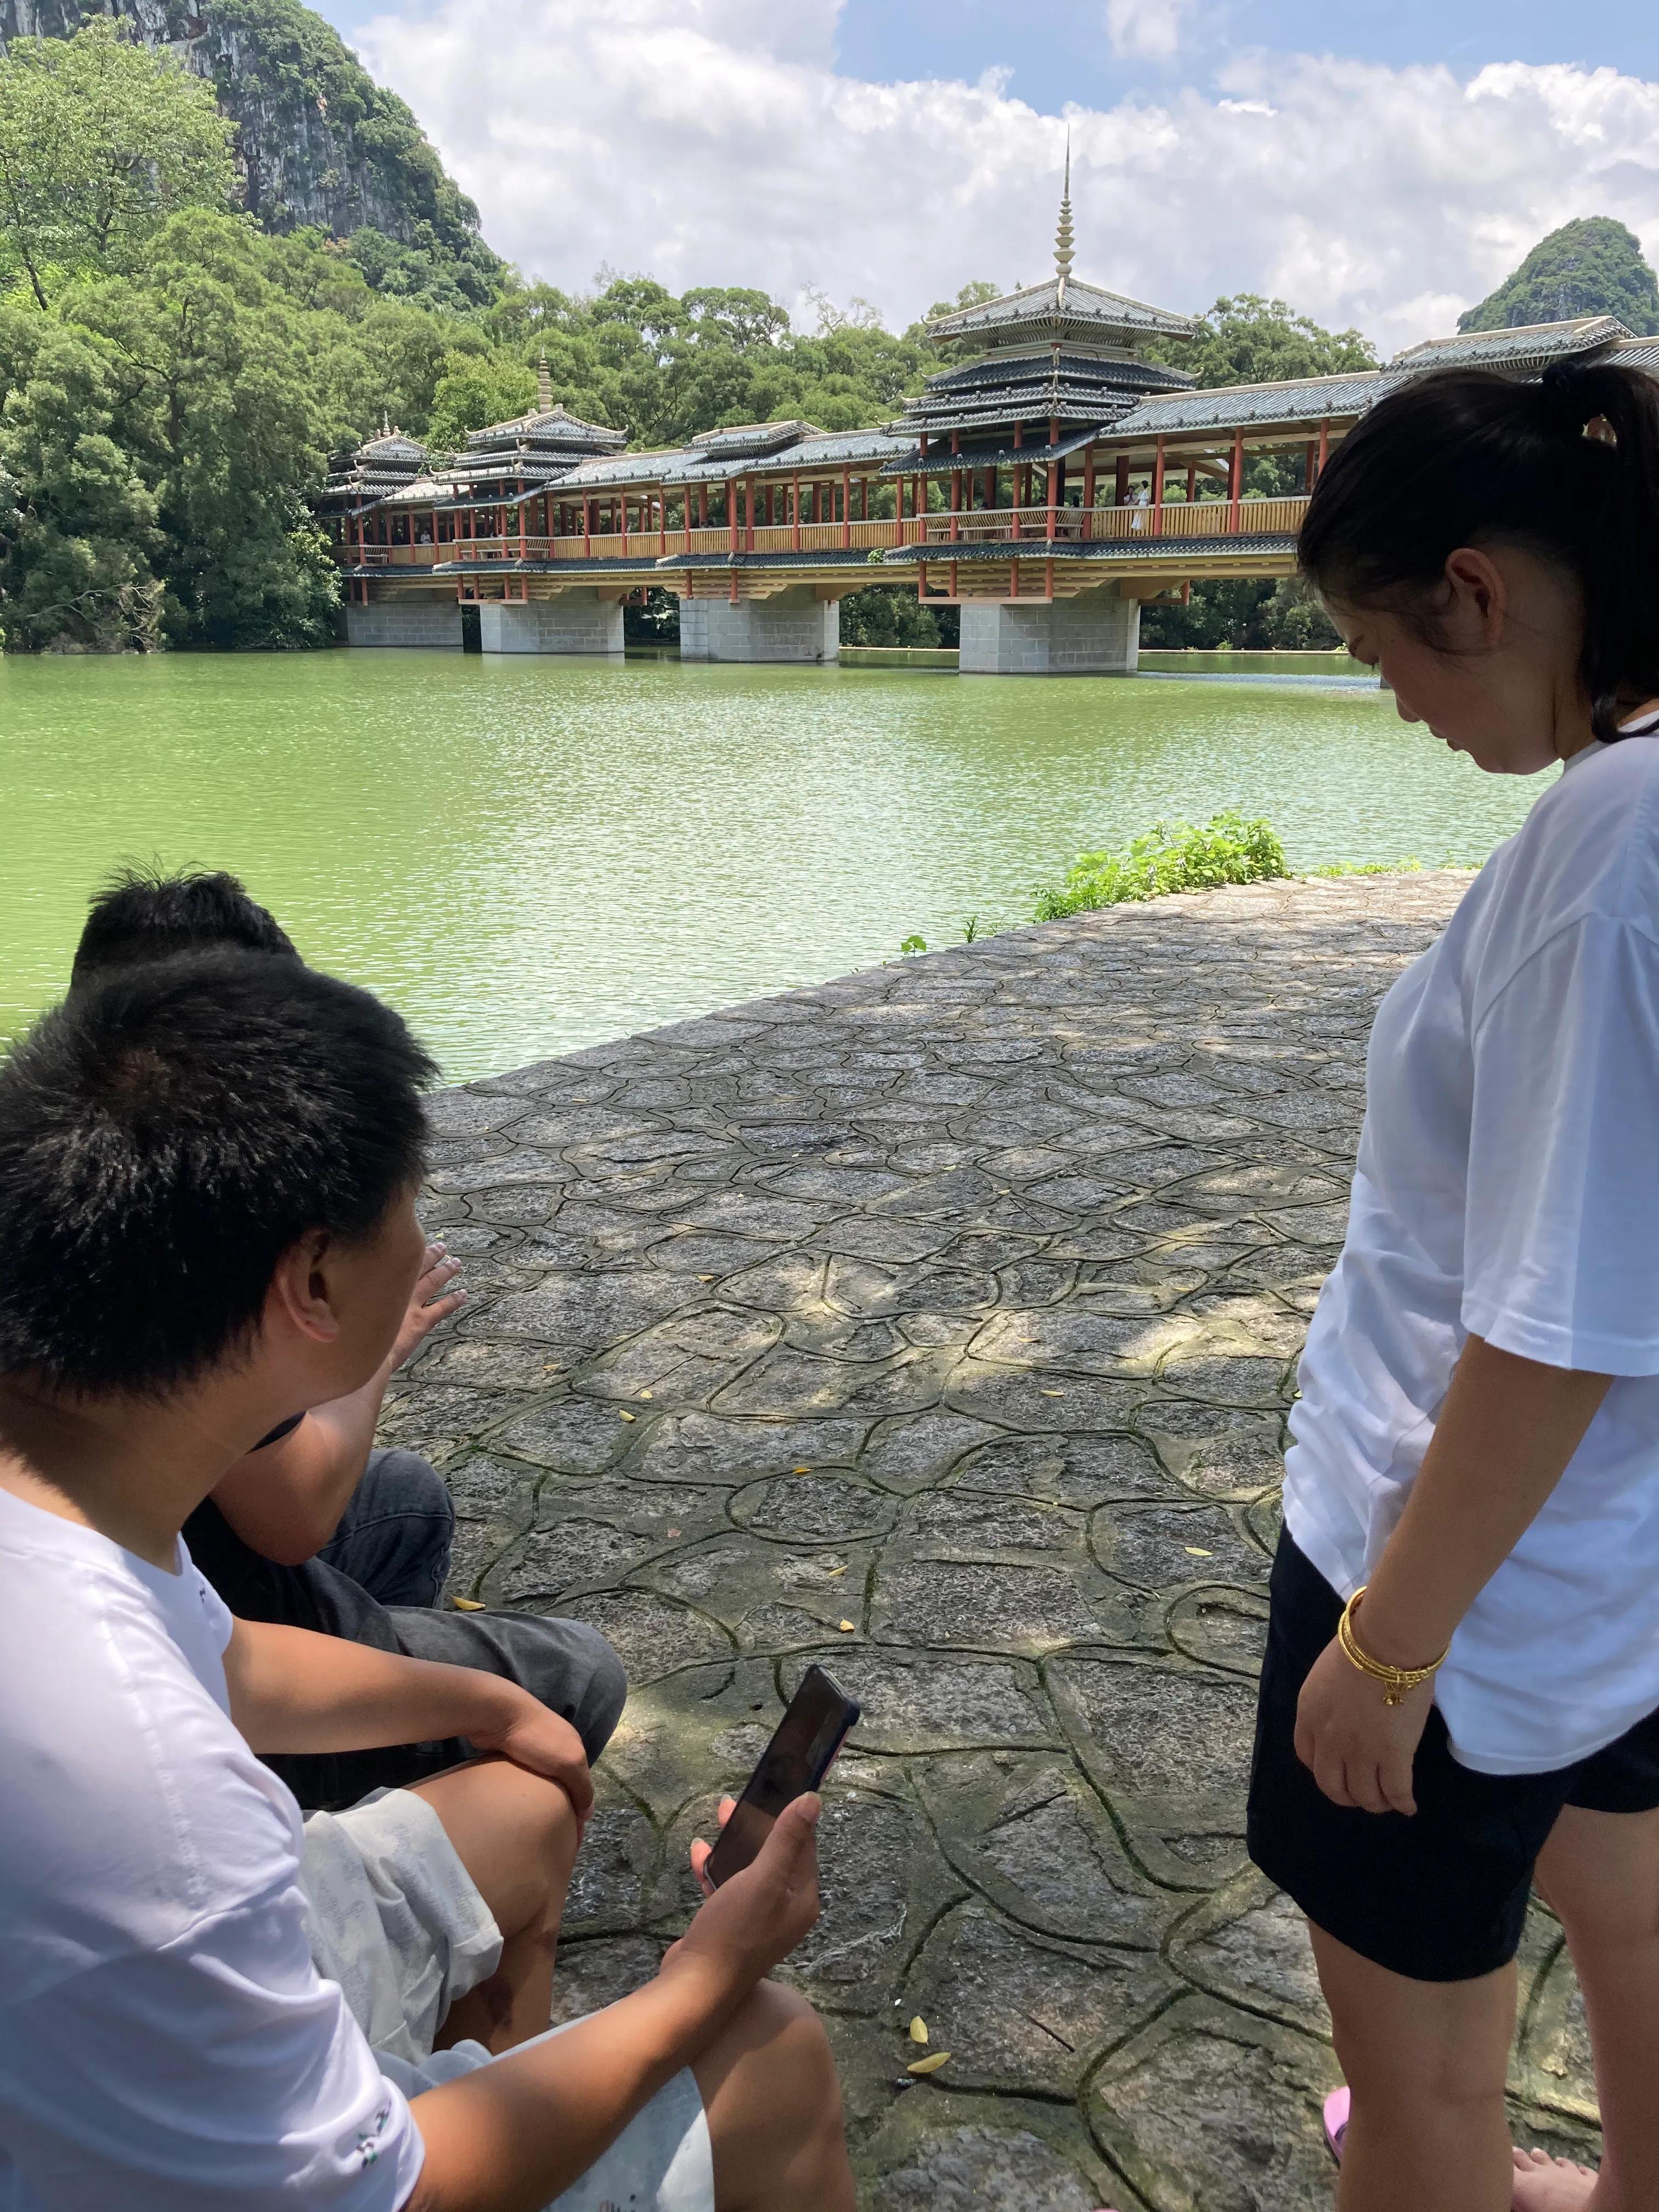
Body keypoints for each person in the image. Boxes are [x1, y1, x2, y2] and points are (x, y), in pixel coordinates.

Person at [0, 947, 854, 2211]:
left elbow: (225, 1655)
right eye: (409, 1203)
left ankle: (511, 2089)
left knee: (521, 1805)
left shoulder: (73, 1501)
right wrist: (702, 1983)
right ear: (315, 1281)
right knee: (773, 2049)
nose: (424, 1239)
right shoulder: (153, 1789)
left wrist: (487, 1706)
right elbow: (385, 2196)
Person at [1245, 349, 1659, 2211]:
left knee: (1420, 2103)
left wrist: (1383, 1645)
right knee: (1637, 1943)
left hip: (1453, 1581)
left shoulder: (1601, 860)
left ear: (1477, 592)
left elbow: (1546, 1323)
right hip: (1609, 1574)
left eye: (1380, 648)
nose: (1387, 697)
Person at [67, 867, 625, 1812]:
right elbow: (289, 1522)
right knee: (579, 1678)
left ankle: (379, 1741)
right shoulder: (203, 1251)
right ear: (312, 1279)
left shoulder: (70, 1189)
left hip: (183, 1616)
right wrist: (374, 1353)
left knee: (406, 1500)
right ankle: (357, 1810)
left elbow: (210, 1639)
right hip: (181, 1687)